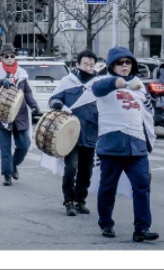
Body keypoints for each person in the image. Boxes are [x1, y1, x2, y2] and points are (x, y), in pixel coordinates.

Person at [92, 47, 158, 242]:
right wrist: (115, 82)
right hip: (111, 145)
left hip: (136, 145)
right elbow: (97, 89)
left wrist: (148, 142)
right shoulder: (102, 83)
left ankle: (142, 228)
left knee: (142, 186)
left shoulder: (138, 86)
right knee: (108, 187)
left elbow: (147, 113)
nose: (124, 66)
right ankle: (106, 223)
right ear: (112, 66)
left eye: (128, 62)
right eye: (120, 63)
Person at [48, 50, 99, 216]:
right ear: (77, 64)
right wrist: (57, 104)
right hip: (70, 133)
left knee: (86, 170)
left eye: (91, 65)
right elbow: (54, 99)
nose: (89, 68)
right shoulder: (67, 81)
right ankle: (69, 201)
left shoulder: (98, 84)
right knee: (70, 168)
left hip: (91, 133)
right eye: (85, 64)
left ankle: (80, 201)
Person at [0, 43, 39, 186]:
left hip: (20, 114)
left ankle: (13, 164)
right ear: (2, 58)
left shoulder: (21, 73)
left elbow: (27, 91)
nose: (10, 58)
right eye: (6, 56)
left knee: (24, 145)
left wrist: (34, 105)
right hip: (2, 114)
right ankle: (7, 175)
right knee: (5, 147)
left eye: (12, 56)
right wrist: (2, 81)